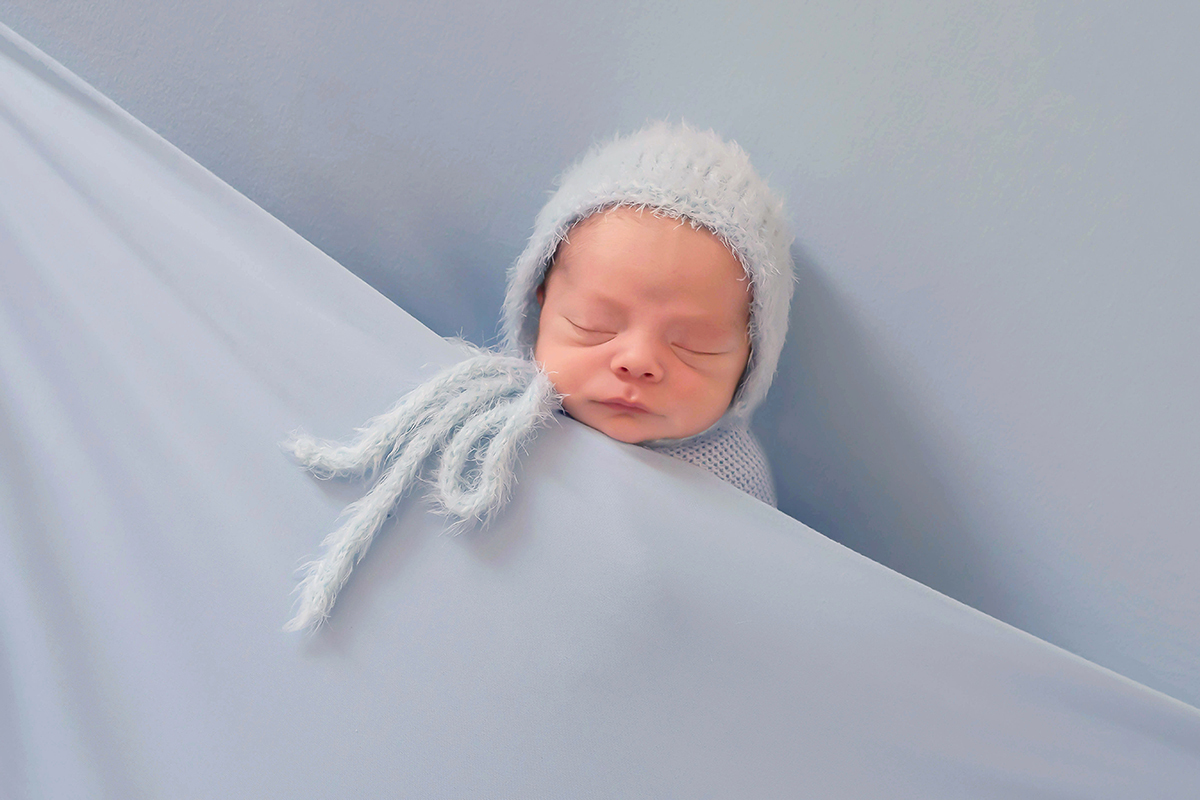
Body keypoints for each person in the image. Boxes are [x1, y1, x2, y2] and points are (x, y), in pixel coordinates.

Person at [285, 122, 794, 631]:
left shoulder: (735, 484)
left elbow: (744, 618)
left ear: (750, 359)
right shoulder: (474, 409)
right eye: (595, 325)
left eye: (694, 345)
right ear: (541, 303)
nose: (638, 361)